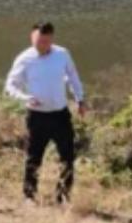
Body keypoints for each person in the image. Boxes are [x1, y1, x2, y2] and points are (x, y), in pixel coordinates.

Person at [5, 21, 86, 204]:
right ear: (32, 37)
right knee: (34, 157)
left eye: (46, 41)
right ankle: (29, 196)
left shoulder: (62, 54)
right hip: (37, 116)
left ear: (51, 39)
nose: (42, 45)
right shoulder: (25, 58)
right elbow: (10, 85)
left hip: (60, 115)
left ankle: (63, 196)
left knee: (67, 156)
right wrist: (24, 98)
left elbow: (73, 77)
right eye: (38, 41)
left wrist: (80, 99)